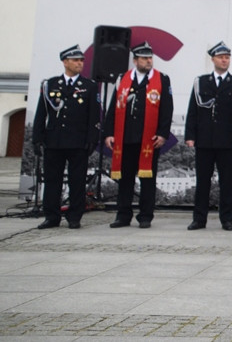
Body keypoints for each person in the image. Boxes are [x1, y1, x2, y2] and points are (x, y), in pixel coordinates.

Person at [104, 41, 173, 229]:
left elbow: (167, 110)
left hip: (149, 140)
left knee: (147, 179)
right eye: (144, 58)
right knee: (125, 178)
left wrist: (162, 134)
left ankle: (145, 216)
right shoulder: (123, 79)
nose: (149, 61)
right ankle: (123, 215)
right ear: (135, 60)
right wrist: (109, 133)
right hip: (125, 138)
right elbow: (113, 108)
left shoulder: (161, 79)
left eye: (150, 58)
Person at [33, 44, 101, 229]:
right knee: (52, 180)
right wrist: (37, 138)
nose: (79, 63)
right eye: (75, 60)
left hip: (78, 142)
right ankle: (51, 216)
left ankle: (74, 216)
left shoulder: (89, 86)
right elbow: (42, 113)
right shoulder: (51, 84)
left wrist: (92, 139)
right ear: (65, 62)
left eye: (81, 60)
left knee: (77, 180)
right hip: (54, 140)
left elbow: (94, 116)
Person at [184, 41, 232, 231]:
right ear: (213, 59)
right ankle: (199, 218)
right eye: (221, 57)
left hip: (227, 141)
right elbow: (193, 111)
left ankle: (226, 219)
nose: (224, 60)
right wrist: (190, 135)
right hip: (204, 139)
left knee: (226, 182)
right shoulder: (201, 82)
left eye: (227, 57)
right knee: (202, 181)